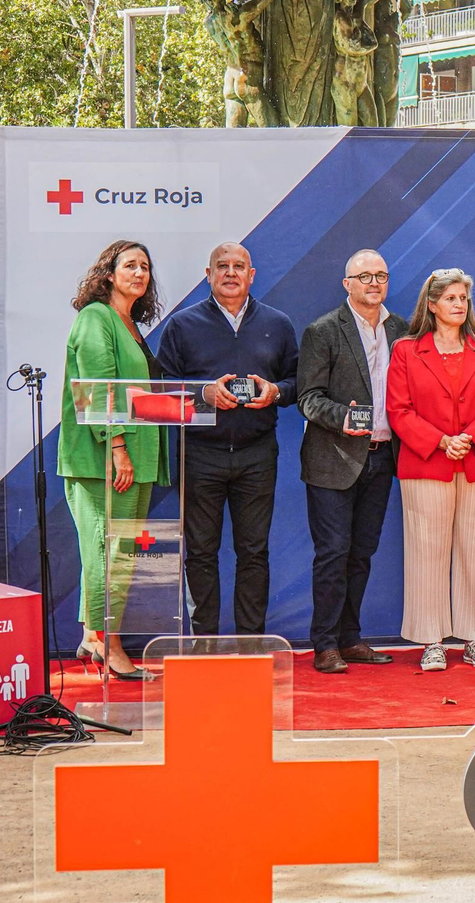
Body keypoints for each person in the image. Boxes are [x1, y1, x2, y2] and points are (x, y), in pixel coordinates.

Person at [155, 241, 299, 638]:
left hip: (257, 455)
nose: (231, 273)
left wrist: (276, 392)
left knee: (254, 553)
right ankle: (203, 642)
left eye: (239, 266)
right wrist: (203, 393)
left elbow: (298, 382)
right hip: (200, 454)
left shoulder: (278, 323)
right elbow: (162, 388)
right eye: (223, 266)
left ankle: (252, 641)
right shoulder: (183, 325)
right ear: (208, 274)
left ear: (252, 276)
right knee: (200, 554)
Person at [387, 269, 475, 671]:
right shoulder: (406, 350)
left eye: (464, 299)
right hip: (426, 463)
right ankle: (431, 641)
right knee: (427, 552)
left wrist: (470, 438)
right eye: (452, 299)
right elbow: (398, 411)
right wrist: (442, 441)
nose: (460, 305)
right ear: (432, 304)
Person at [58, 239, 169, 681]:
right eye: (130, 265)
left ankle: (94, 636)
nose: (139, 273)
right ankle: (109, 646)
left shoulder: (130, 324)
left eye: (145, 266)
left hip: (136, 458)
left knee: (118, 552)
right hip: (103, 459)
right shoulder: (95, 317)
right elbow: (96, 388)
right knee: (109, 553)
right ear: (108, 274)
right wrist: (118, 447)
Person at [295, 250, 408, 675]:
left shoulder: (402, 330)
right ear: (347, 284)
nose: (373, 283)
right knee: (333, 554)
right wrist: (342, 418)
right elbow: (307, 398)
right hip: (333, 461)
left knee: (361, 554)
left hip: (383, 458)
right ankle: (324, 644)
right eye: (364, 276)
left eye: (380, 275)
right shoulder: (322, 331)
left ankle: (350, 638)